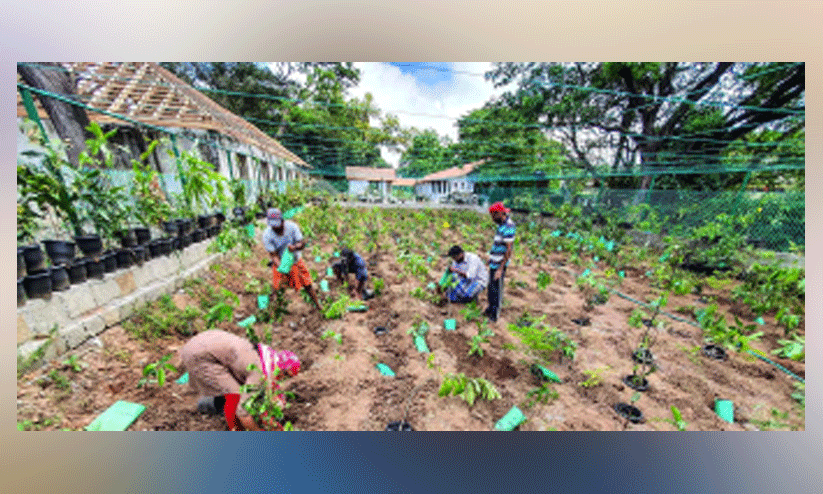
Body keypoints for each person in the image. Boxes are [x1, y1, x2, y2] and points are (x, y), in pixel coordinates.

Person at [178, 329, 300, 431]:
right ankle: (236, 430)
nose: (284, 379)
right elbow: (244, 413)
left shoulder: (268, 357)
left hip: (207, 340)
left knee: (240, 387)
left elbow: (269, 386)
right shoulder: (260, 372)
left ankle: (211, 404)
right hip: (199, 355)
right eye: (286, 375)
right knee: (235, 397)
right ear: (281, 370)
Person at [263, 208, 323, 312]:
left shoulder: (292, 227)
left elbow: (302, 243)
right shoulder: (267, 235)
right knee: (277, 288)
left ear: (282, 220)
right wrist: (282, 267)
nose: (275, 228)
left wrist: (295, 247)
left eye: (277, 224)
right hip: (281, 264)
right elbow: (273, 255)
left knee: (307, 284)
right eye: (273, 225)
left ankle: (318, 306)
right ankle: (274, 313)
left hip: (296, 260)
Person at [484, 202, 516, 322]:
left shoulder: (508, 226)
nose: (492, 219)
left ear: (500, 213)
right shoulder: (501, 224)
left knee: (497, 289)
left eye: (493, 216)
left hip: (499, 264)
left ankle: (494, 315)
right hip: (494, 262)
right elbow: (498, 244)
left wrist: (500, 268)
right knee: (491, 287)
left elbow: (509, 249)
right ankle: (490, 308)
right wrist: (491, 258)